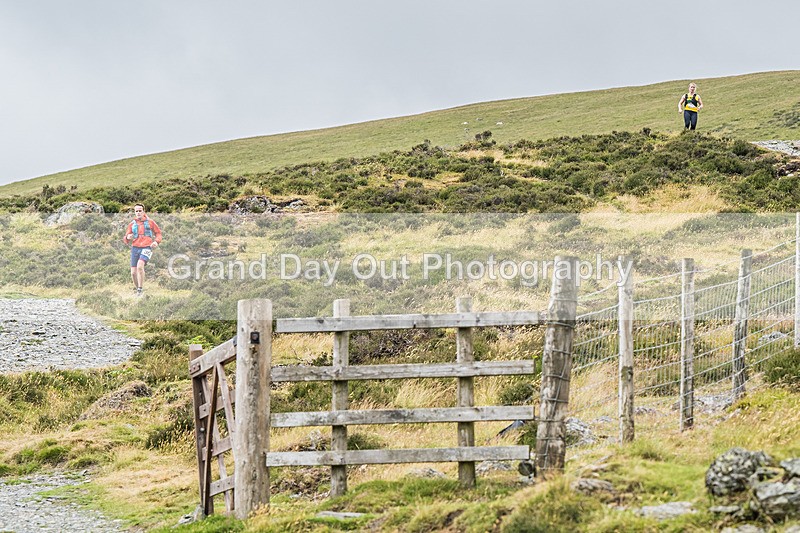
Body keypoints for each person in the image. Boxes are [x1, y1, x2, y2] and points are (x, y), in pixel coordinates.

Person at [123, 204, 162, 296]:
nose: (138, 212)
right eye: (136, 211)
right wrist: (128, 237)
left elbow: (158, 233)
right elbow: (125, 238)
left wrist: (156, 242)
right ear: (135, 212)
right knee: (133, 273)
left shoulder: (151, 222)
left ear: (144, 211)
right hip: (135, 248)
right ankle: (138, 290)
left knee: (140, 266)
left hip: (147, 247)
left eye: (140, 211)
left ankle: (140, 289)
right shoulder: (132, 224)